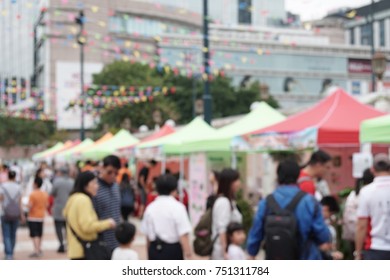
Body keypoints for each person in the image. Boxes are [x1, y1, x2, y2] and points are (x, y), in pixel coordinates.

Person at [247, 160, 331, 260]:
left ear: (278, 176)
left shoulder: (266, 202)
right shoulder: (310, 201)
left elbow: (256, 232)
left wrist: (252, 253)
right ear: (297, 176)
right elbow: (323, 235)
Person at [63, 171, 116, 260]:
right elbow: (87, 226)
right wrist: (108, 223)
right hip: (85, 250)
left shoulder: (73, 198)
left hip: (76, 250)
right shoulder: (84, 200)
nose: (97, 186)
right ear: (85, 185)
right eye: (94, 183)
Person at [141, 174, 192, 260]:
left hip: (154, 249)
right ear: (174, 190)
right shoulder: (178, 207)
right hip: (173, 250)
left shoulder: (150, 208)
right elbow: (183, 235)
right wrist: (189, 255)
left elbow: (148, 236)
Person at [355, 154, 390, 260]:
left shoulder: (366, 192)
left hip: (376, 248)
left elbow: (361, 225)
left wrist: (358, 253)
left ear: (372, 170)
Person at [211, 168, 243, 260]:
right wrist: (225, 252)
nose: (239, 183)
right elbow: (222, 228)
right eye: (236, 180)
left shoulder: (229, 201)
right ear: (229, 183)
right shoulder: (223, 202)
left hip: (229, 249)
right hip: (223, 252)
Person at [92, 155, 122, 252]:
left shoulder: (116, 187)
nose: (112, 175)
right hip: (99, 241)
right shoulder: (94, 187)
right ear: (102, 168)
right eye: (109, 172)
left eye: (116, 173)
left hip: (116, 241)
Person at [342, 168, 374, 258]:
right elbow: (362, 224)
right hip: (367, 237)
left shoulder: (353, 194)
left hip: (352, 235)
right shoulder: (370, 194)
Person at [0, 171, 25, 260]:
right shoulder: (19, 187)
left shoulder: (3, 186)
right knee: (13, 234)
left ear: (8, 176)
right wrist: (22, 214)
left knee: (6, 234)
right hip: (16, 213)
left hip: (4, 213)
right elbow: (20, 203)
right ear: (15, 177)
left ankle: (8, 254)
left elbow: (1, 199)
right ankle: (12, 252)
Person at [51, 166, 74, 253]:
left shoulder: (57, 182)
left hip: (58, 208)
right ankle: (68, 243)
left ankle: (61, 243)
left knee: (58, 227)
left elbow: (52, 193)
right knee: (68, 227)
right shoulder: (72, 182)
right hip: (69, 208)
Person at [27, 177, 49, 258]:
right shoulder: (45, 194)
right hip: (41, 216)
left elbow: (29, 205)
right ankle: (39, 248)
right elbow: (47, 205)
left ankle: (36, 250)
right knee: (39, 234)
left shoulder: (32, 194)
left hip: (33, 216)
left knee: (35, 234)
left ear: (35, 184)